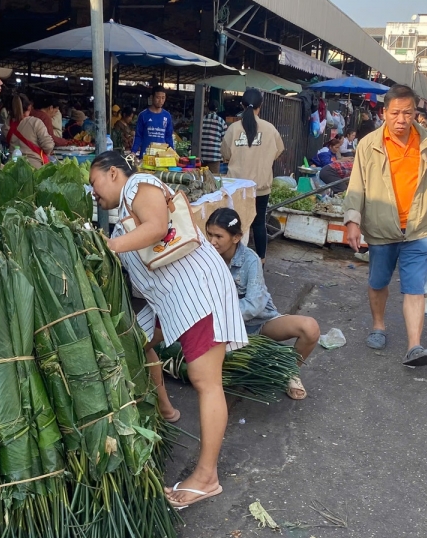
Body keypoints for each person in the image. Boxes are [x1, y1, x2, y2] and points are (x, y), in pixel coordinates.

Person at [88, 151, 247, 508]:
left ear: (113, 173)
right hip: (171, 300)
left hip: (197, 291)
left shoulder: (138, 184)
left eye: (93, 181)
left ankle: (207, 477)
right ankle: (165, 411)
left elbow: (158, 227)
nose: (92, 192)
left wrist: (106, 247)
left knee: (206, 382)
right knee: (136, 341)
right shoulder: (124, 213)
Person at [344, 84, 427, 367]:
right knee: (378, 281)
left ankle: (414, 346)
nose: (400, 119)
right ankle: (379, 325)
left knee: (414, 288)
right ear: (384, 112)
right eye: (395, 113)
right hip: (382, 228)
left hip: (419, 228)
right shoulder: (368, 145)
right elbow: (356, 186)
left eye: (407, 113)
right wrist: (352, 221)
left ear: (415, 113)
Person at [205, 208, 320, 400]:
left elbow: (254, 305)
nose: (212, 241)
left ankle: (290, 372)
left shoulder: (251, 260)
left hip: (259, 324)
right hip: (225, 330)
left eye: (218, 236)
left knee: (310, 328)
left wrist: (219, 317)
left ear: (236, 238)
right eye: (209, 234)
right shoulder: (206, 258)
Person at [221, 87, 285, 262]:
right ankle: (261, 261)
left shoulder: (233, 128)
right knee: (258, 224)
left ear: (242, 105)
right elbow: (278, 151)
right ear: (261, 106)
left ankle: (232, 261)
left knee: (235, 223)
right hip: (260, 186)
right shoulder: (270, 129)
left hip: (236, 187)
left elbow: (225, 155)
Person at [8, 93, 54, 169]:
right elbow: (48, 146)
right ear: (29, 107)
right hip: (33, 168)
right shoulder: (35, 122)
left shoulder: (6, 125)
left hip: (12, 168)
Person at [132, 86, 174, 155]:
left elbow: (168, 136)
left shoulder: (167, 116)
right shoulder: (143, 115)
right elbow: (138, 136)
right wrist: (133, 151)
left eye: (163, 98)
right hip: (146, 155)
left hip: (161, 156)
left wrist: (172, 152)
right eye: (158, 97)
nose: (161, 101)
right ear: (152, 97)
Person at [200, 100, 229, 171]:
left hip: (201, 155)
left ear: (207, 108)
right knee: (213, 178)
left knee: (201, 178)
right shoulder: (222, 122)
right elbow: (225, 140)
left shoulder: (202, 120)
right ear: (217, 109)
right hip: (215, 156)